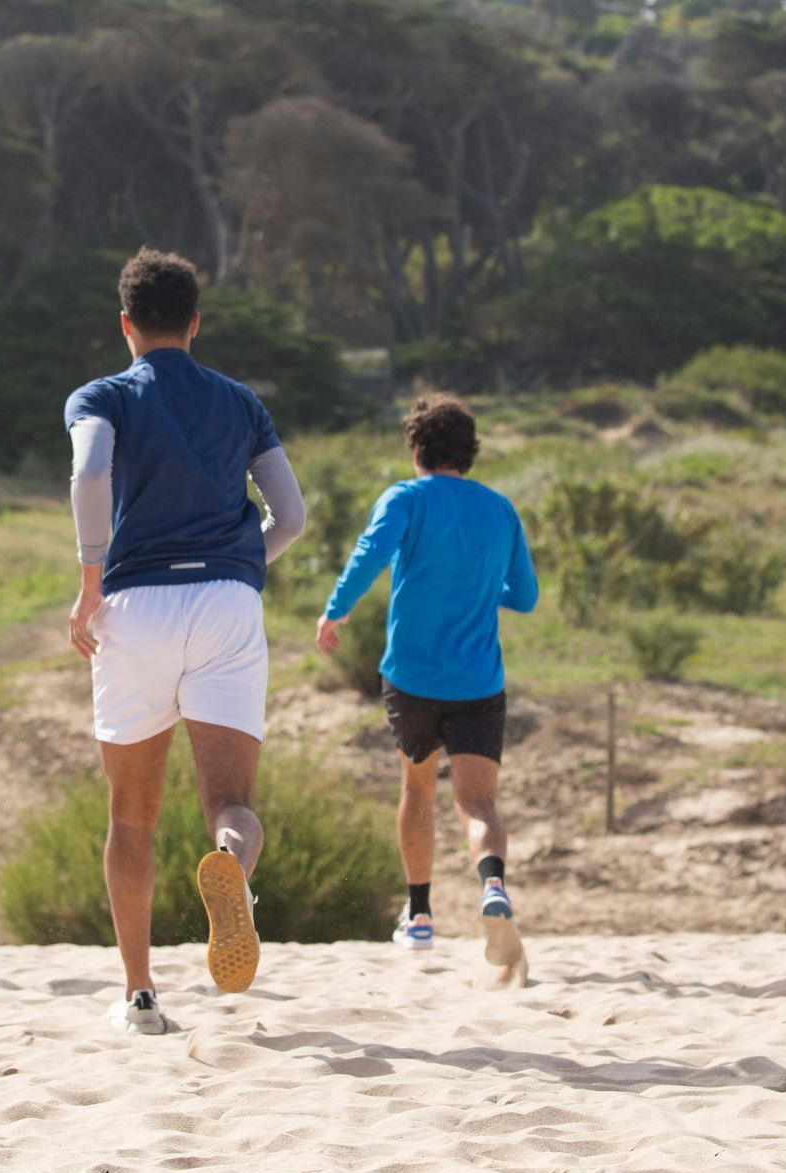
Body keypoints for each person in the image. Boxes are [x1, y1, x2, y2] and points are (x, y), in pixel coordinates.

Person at [64, 247, 306, 1036]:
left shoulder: (102, 394)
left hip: (135, 606)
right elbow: (292, 518)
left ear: (126, 324)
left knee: (132, 815)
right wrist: (241, 563)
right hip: (228, 604)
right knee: (231, 803)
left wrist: (90, 579)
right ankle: (230, 866)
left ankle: (139, 996)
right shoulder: (241, 403)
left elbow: (90, 473)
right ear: (196, 323)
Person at [316, 396, 538, 968]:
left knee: (418, 790)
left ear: (415, 449)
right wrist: (483, 588)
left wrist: (336, 611)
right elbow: (527, 596)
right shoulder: (500, 509)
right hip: (479, 681)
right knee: (478, 800)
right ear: (470, 452)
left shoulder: (405, 499)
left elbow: (372, 553)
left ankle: (418, 916)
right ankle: (492, 886)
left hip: (412, 677)